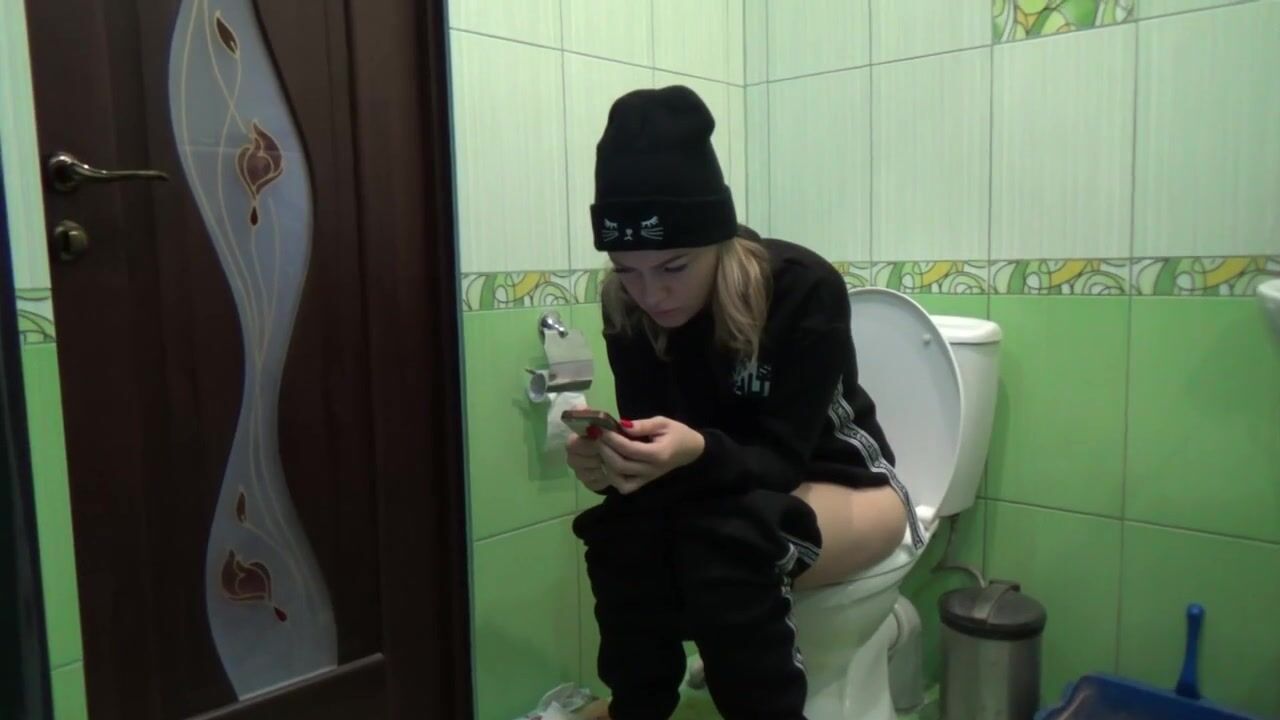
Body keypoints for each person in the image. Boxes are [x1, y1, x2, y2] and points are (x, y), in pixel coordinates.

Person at [566, 85, 923, 720]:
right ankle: (636, 710)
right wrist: (614, 464)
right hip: (720, 486)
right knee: (618, 534)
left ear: (717, 240)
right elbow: (660, 448)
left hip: (847, 483)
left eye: (673, 267)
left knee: (727, 546)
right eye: (627, 269)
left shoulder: (800, 287)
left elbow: (782, 460)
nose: (650, 294)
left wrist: (696, 452)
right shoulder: (627, 306)